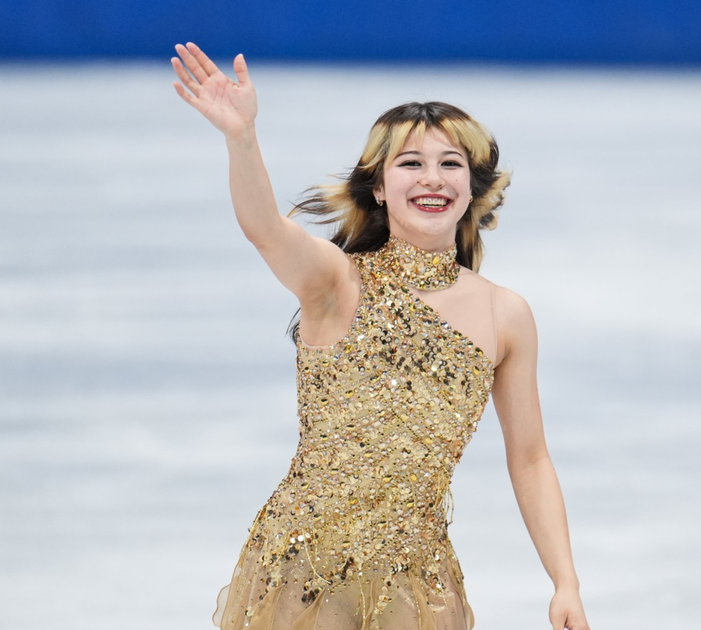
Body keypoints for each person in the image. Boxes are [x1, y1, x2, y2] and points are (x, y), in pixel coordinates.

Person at [170, 42, 591, 630]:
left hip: (417, 580)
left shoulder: (505, 315)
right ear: (378, 187)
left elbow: (529, 457)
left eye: (451, 164)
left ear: (473, 188)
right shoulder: (336, 283)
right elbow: (265, 229)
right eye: (411, 163)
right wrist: (242, 138)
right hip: (305, 567)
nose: (433, 179)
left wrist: (564, 581)